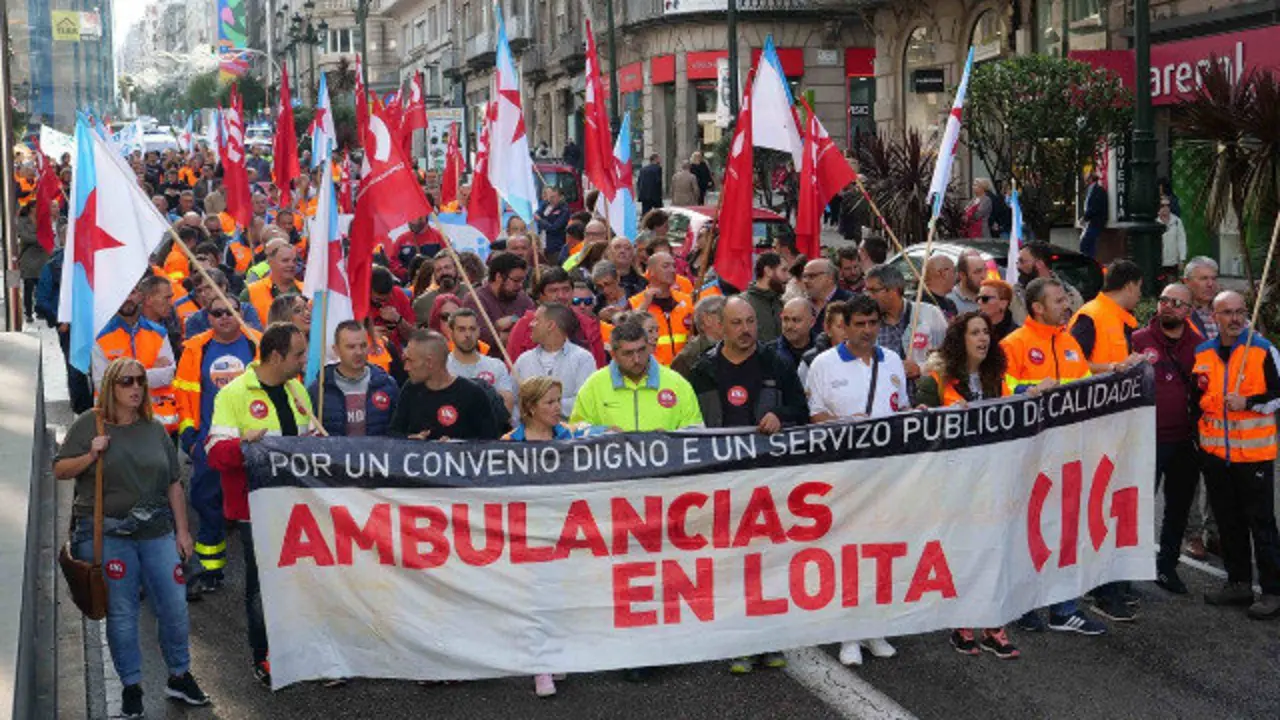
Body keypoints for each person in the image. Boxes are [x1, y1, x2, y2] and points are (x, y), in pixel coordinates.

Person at [55, 358, 209, 716]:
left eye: (140, 380)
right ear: (111, 385)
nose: (136, 387)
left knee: (174, 606)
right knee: (122, 614)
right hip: (111, 536)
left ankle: (179, 675)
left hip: (157, 531)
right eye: (126, 381)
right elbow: (60, 469)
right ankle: (131, 687)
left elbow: (173, 481)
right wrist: (91, 453)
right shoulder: (88, 423)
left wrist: (183, 532)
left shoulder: (154, 428)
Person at [686, 297, 805, 675]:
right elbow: (689, 424)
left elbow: (802, 412)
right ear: (719, 326)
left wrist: (780, 416)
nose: (746, 330)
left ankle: (769, 638)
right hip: (722, 480)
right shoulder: (702, 370)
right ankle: (738, 641)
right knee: (732, 563)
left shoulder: (777, 364)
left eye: (751, 321)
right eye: (736, 323)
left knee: (770, 560)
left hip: (770, 476)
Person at [206, 323, 317, 687]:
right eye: (298, 355)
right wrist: (243, 446)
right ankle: (264, 657)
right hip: (255, 510)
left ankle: (303, 651)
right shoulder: (233, 394)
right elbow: (214, 453)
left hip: (297, 505)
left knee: (302, 581)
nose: (303, 362)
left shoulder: (297, 389)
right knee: (262, 586)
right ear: (275, 356)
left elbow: (309, 443)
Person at [913, 313, 1020, 658]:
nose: (983, 338)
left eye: (986, 332)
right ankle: (960, 622)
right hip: (952, 482)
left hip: (990, 478)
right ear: (960, 339)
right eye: (975, 332)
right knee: (960, 551)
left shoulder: (995, 378)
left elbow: (1011, 411)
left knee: (992, 550)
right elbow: (918, 427)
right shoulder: (935, 379)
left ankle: (993, 624)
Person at [1000, 278, 1104, 635]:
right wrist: (1029, 389)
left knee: (1065, 533)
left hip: (1069, 453)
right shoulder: (1013, 344)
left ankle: (1064, 609)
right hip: (1028, 457)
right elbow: (1001, 389)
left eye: (1066, 298)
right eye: (1059, 300)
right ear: (1037, 308)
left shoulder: (1070, 341)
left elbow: (1088, 389)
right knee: (1028, 532)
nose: (1067, 305)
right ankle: (1024, 603)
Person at [803, 295, 903, 665]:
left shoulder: (891, 360)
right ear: (843, 326)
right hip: (842, 474)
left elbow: (901, 409)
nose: (867, 331)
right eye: (859, 324)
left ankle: (874, 628)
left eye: (872, 323)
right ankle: (846, 634)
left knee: (880, 553)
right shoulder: (824, 364)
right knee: (847, 555)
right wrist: (846, 425)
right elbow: (813, 417)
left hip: (886, 475)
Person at [1193, 290, 1280, 619]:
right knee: (1228, 523)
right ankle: (1238, 583)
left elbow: (1278, 393)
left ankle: (1273, 590)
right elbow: (1196, 400)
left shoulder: (1262, 350)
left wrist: (1249, 402)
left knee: (1262, 524)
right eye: (1227, 312)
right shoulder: (1203, 354)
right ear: (1214, 316)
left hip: (1253, 456)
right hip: (1216, 456)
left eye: (1240, 312)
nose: (1235, 318)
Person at [173, 295, 261, 596]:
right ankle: (210, 571)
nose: (224, 317)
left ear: (241, 312)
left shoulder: (257, 344)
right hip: (210, 447)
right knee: (208, 507)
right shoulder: (196, 349)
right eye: (217, 313)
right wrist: (191, 440)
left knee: (255, 509)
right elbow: (183, 396)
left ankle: (262, 569)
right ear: (208, 318)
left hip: (253, 444)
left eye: (230, 311)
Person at [1132, 283, 1202, 595]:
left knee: (1178, 507)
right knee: (1137, 507)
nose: (1168, 306)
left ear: (1189, 311)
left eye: (1177, 302)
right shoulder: (1137, 339)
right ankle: (1127, 572)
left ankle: (1167, 566)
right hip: (1145, 440)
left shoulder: (1200, 345)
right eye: (1164, 300)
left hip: (1185, 441)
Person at [571, 319, 703, 432]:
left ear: (649, 347)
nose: (637, 359)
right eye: (628, 353)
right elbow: (576, 429)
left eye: (641, 350)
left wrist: (670, 439)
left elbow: (696, 430)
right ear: (613, 355)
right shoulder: (594, 385)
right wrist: (602, 432)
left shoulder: (677, 384)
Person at [92, 283, 180, 435]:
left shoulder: (159, 333)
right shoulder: (100, 338)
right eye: (121, 294)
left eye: (131, 293)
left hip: (158, 422)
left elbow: (168, 375)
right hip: (115, 423)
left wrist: (121, 378)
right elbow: (102, 384)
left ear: (141, 296)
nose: (127, 299)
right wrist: (151, 371)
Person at [390, 330, 502, 440]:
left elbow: (489, 443)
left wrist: (456, 446)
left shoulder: (472, 394)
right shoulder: (410, 389)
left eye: (410, 361)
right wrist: (410, 440)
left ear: (429, 362)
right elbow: (393, 434)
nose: (406, 367)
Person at [864, 264, 947, 396]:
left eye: (873, 291)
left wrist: (920, 369)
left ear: (893, 290)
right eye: (866, 290)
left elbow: (947, 357)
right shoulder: (866, 323)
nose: (868, 296)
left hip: (925, 403)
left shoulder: (929, 314)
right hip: (883, 404)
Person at [309, 320, 400, 437]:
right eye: (351, 347)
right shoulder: (319, 389)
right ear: (336, 349)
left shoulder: (387, 385)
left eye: (363, 345)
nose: (358, 352)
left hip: (377, 454)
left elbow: (398, 431)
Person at [507, 267, 607, 366]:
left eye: (566, 289)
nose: (561, 296)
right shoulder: (524, 326)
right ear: (541, 296)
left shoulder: (589, 325)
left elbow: (599, 367)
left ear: (572, 292)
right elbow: (513, 369)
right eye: (553, 291)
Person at [512, 303, 597, 420]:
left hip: (570, 435)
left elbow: (585, 402)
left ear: (550, 325)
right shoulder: (523, 360)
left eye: (536, 320)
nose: (531, 324)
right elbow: (514, 402)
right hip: (530, 436)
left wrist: (545, 405)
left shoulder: (583, 359)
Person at [461, 251, 535, 358]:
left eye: (522, 280)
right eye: (516, 280)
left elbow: (534, 334)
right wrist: (520, 331)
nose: (520, 286)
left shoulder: (522, 298)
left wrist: (514, 320)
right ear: (499, 277)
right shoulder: (475, 300)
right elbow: (488, 340)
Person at [630, 252, 695, 365]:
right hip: (651, 372)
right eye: (665, 266)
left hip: (683, 372)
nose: (672, 270)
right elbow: (627, 334)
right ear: (651, 272)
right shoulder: (635, 302)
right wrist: (644, 305)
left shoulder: (687, 300)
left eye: (674, 266)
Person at [446, 308, 516, 411]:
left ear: (479, 331)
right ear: (451, 333)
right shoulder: (442, 367)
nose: (468, 335)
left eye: (472, 329)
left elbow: (507, 407)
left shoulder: (496, 366)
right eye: (461, 329)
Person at [240, 239, 303, 324]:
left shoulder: (306, 291)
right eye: (285, 260)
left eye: (294, 261)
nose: (291, 265)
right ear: (270, 262)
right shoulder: (250, 292)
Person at [1016, 242, 1083, 318]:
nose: (1018, 266)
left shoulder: (1071, 295)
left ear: (1039, 264)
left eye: (1022, 261)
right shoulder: (1013, 295)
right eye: (1017, 262)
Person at [672, 295, 726, 377]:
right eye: (724, 314)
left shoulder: (734, 345)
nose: (730, 319)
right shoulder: (689, 356)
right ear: (707, 319)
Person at [799, 300, 849, 384]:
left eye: (849, 326)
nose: (846, 332)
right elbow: (800, 394)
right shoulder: (810, 361)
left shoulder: (864, 359)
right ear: (827, 329)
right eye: (840, 327)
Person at [743, 252, 787, 344]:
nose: (788, 276)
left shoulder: (781, 302)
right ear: (768, 271)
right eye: (783, 270)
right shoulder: (743, 303)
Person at [16, 203, 48, 322]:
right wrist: (40, 238)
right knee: (28, 286)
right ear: (30, 209)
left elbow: (48, 234)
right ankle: (28, 312)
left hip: (43, 257)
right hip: (28, 257)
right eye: (35, 207)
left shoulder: (44, 219)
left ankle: (40, 311)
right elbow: (25, 237)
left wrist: (40, 238)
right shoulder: (23, 221)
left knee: (42, 286)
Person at [802, 258, 853, 327]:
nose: (806, 281)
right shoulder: (801, 305)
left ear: (830, 278)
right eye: (804, 276)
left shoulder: (851, 301)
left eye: (812, 276)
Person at [771, 297, 817, 368]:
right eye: (785, 319)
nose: (789, 326)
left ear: (812, 322)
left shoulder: (825, 350)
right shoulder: (768, 353)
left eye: (796, 320)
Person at [1184, 256, 1220, 342]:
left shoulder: (1227, 309)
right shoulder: (1179, 312)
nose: (1210, 284)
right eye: (1204, 278)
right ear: (1186, 282)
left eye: (1214, 279)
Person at [977, 279, 1020, 343]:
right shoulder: (968, 327)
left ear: (1003, 304)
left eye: (985, 299)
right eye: (978, 298)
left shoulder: (1017, 335)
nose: (979, 302)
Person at [535, 187, 571, 259]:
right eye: (550, 197)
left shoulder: (564, 210)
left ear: (561, 197)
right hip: (542, 245)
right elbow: (537, 213)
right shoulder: (546, 205)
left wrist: (540, 220)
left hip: (555, 248)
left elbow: (554, 228)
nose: (550, 199)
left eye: (553, 197)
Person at [1078, 171, 1107, 258]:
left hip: (1095, 223)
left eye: (1086, 179)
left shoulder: (1098, 190)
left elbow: (1094, 207)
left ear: (1091, 179)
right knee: (1088, 246)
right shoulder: (1090, 190)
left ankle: (1090, 265)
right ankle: (1090, 264)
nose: (1085, 181)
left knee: (1085, 245)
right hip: (1090, 223)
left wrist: (1085, 218)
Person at [1159, 196, 1187, 275]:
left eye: (1168, 205)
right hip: (1158, 263)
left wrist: (1182, 259)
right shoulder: (1154, 221)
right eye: (1162, 206)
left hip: (1173, 263)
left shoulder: (1177, 221)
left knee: (1172, 286)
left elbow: (1181, 241)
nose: (1165, 208)